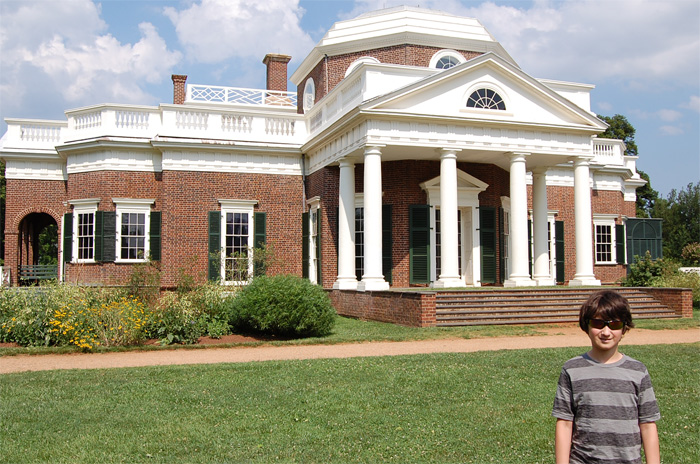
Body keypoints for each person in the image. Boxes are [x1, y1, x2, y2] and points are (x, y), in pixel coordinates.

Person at [552, 289, 661, 464]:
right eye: (598, 323)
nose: (606, 332)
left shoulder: (638, 371)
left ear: (624, 328)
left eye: (615, 324)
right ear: (586, 326)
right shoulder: (572, 370)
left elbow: (648, 425)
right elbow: (564, 423)